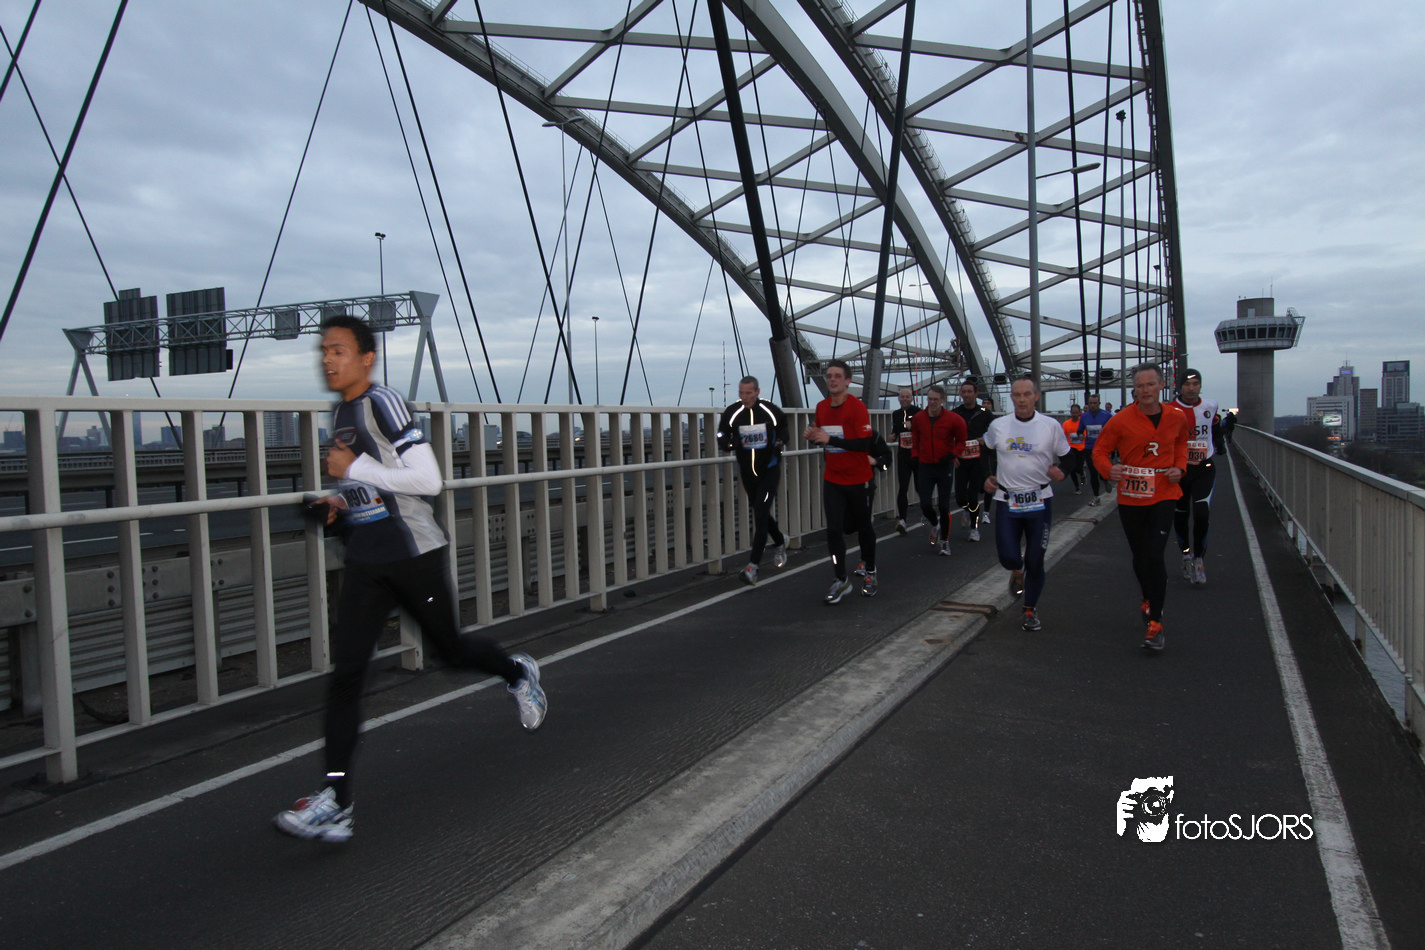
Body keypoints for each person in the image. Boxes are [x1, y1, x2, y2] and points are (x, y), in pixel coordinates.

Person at [274, 315, 547, 841]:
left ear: (367, 358)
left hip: (413, 554)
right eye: (323, 351)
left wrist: (352, 471)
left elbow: (427, 480)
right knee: (347, 677)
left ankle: (516, 671)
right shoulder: (341, 411)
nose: (327, 359)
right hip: (366, 560)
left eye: (338, 350)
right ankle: (337, 801)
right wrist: (340, 503)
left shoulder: (384, 402)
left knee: (451, 651)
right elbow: (375, 486)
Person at [1092, 363, 1189, 652]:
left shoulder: (1176, 416)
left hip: (1164, 492)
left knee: (1155, 555)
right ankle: (1147, 596)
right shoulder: (1121, 420)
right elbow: (1100, 450)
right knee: (1140, 556)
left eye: (1150, 384)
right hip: (1131, 497)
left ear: (1161, 385)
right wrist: (1109, 470)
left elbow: (1182, 444)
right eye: (1139, 386)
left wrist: (1180, 468)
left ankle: (1156, 622)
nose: (1145, 390)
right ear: (1134, 389)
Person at [983, 376, 1068, 631]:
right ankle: (1016, 570)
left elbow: (1069, 456)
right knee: (1009, 556)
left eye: (1027, 394)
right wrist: (986, 476)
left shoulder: (1050, 426)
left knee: (1035, 560)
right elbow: (984, 451)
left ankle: (1030, 609)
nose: (1022, 400)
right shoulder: (998, 425)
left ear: (1036, 397)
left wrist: (1063, 471)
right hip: (1007, 500)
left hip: (1039, 501)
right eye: (1017, 395)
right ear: (1012, 397)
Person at [805, 360, 879, 602]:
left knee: (864, 529)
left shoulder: (857, 407)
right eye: (829, 376)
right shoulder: (821, 407)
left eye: (837, 376)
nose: (832, 379)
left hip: (859, 479)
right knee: (834, 530)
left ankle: (870, 571)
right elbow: (822, 437)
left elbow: (863, 444)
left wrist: (830, 439)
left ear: (847, 381)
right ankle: (841, 579)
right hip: (833, 479)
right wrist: (813, 436)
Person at [717, 376, 790, 586]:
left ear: (757, 392)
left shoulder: (769, 410)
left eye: (749, 393)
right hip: (747, 472)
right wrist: (730, 444)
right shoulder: (733, 412)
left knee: (760, 512)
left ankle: (752, 567)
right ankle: (780, 540)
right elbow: (721, 434)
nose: (745, 397)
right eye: (741, 393)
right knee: (761, 511)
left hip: (769, 470)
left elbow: (784, 430)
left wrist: (779, 443)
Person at [1165, 368, 1225, 586]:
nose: (1191, 388)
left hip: (1204, 467)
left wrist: (1220, 444)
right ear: (1179, 386)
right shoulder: (1169, 409)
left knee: (1201, 514)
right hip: (1179, 471)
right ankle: (1186, 554)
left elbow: (1214, 424)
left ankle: (1199, 559)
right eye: (1187, 384)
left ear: (1200, 386)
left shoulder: (1210, 405)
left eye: (1195, 384)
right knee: (1181, 516)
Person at [911, 384, 968, 556]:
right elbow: (915, 440)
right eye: (930, 399)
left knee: (944, 506)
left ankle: (945, 542)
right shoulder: (919, 418)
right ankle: (935, 524)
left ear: (943, 400)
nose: (932, 402)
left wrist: (953, 454)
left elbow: (962, 441)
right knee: (925, 504)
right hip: (925, 465)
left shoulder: (954, 419)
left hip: (944, 466)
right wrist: (915, 457)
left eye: (936, 399)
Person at [952, 379, 995, 542]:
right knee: (960, 496)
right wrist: (952, 454)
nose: (967, 395)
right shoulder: (955, 413)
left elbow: (995, 430)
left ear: (976, 394)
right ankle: (966, 510)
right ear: (960, 394)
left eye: (970, 392)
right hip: (961, 460)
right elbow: (947, 435)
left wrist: (986, 439)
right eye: (964, 392)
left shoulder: (984, 412)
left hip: (978, 460)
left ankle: (974, 529)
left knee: (973, 495)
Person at [889, 387, 922, 534]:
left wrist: (913, 425)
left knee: (920, 487)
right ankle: (902, 520)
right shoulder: (896, 414)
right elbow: (896, 430)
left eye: (907, 396)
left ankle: (926, 512)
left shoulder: (919, 412)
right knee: (903, 487)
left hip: (918, 455)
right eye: (902, 396)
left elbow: (925, 429)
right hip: (903, 455)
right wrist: (893, 436)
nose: (904, 399)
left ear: (912, 398)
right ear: (898, 398)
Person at [1076, 393, 1113, 506]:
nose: (1093, 405)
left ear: (1099, 403)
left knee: (1102, 470)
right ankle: (1096, 496)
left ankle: (1105, 479)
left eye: (1095, 403)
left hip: (1102, 448)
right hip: (1089, 447)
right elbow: (1079, 430)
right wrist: (1080, 435)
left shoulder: (1107, 415)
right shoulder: (1084, 416)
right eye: (1091, 403)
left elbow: (1114, 429)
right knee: (1093, 472)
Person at [1060, 402, 1086, 494]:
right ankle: (1077, 488)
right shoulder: (1066, 424)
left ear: (1079, 412)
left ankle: (1082, 474)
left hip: (1081, 448)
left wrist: (1083, 436)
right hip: (1071, 448)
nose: (1074, 414)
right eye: (1073, 412)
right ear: (1070, 412)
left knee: (1079, 468)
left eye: (1076, 412)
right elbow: (1062, 436)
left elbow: (1086, 435)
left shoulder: (1082, 423)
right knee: (1072, 469)